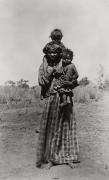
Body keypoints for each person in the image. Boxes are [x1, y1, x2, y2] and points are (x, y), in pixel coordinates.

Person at [36, 30, 80, 169]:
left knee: (66, 126)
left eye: (56, 52)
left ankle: (68, 157)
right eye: (50, 52)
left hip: (64, 97)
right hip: (51, 98)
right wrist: (50, 73)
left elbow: (74, 79)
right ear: (46, 53)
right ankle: (51, 158)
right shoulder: (44, 66)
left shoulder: (66, 64)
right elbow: (42, 83)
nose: (53, 54)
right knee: (52, 128)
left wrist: (68, 83)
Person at [38, 29, 65, 100]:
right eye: (54, 38)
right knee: (45, 73)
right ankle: (43, 91)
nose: (56, 40)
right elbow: (45, 55)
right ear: (52, 37)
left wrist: (58, 68)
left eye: (58, 38)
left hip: (57, 62)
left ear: (60, 38)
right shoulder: (49, 44)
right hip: (48, 62)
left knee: (58, 70)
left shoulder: (62, 45)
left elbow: (64, 56)